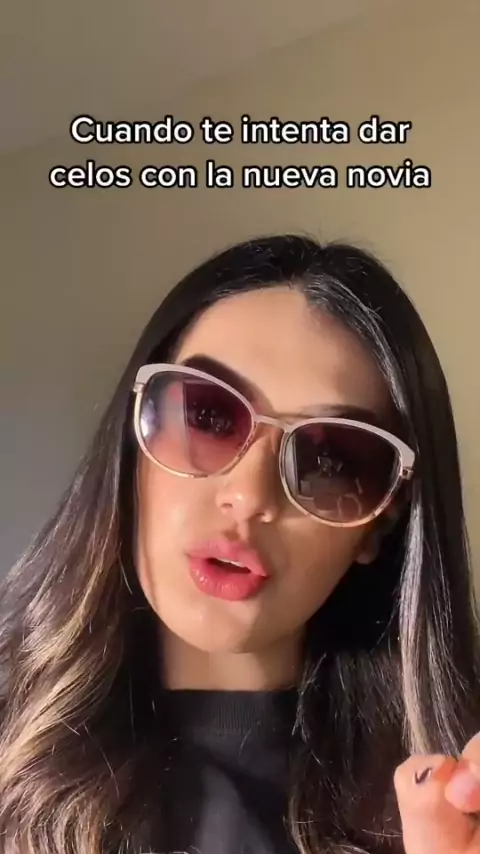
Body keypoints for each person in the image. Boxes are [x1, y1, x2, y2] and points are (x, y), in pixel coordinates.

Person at [0, 233, 479, 854]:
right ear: (131, 443)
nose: (250, 496)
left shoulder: (447, 807)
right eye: (206, 416)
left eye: (330, 460)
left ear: (378, 525)